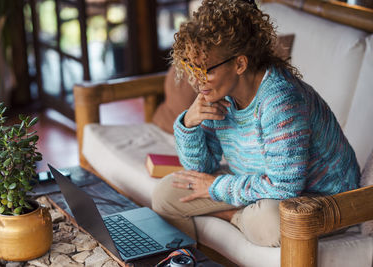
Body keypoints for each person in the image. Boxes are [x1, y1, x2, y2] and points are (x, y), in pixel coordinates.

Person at [152, 0, 360, 247]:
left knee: (271, 222)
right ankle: (203, 248)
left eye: (204, 70)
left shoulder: (281, 100)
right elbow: (201, 169)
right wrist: (190, 124)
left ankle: (233, 217)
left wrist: (217, 187)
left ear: (240, 64)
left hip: (320, 201)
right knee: (166, 194)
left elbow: (284, 188)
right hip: (256, 185)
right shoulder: (217, 95)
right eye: (190, 68)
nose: (196, 81)